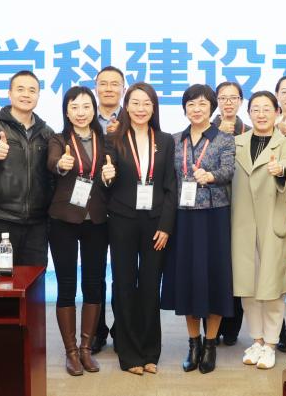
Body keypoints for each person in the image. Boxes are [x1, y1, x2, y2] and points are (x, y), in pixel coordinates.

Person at [161, 84, 235, 374]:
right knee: (187, 279)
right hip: (183, 217)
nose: (196, 109)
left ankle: (211, 343)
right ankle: (194, 343)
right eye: (191, 104)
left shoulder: (224, 139)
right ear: (184, 109)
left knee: (214, 278)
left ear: (212, 108)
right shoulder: (174, 140)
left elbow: (228, 171)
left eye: (203, 104)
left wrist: (211, 176)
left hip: (214, 216)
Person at [105, 82, 177, 375]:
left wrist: (166, 226)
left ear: (154, 107)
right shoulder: (113, 139)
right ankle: (128, 352)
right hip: (121, 220)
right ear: (126, 106)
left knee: (150, 286)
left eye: (146, 103)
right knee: (124, 285)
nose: (140, 109)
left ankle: (150, 352)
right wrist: (106, 176)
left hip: (155, 223)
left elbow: (171, 187)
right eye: (135, 103)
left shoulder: (165, 140)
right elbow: (106, 180)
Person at [231, 91, 286, 370]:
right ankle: (256, 340)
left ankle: (270, 344)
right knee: (247, 285)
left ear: (277, 112)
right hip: (242, 222)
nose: (261, 114)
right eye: (255, 109)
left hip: (272, 220)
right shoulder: (236, 142)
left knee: (271, 286)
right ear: (248, 113)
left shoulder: (285, 142)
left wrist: (280, 168)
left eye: (266, 109)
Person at [48, 86, 110, 376]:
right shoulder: (58, 139)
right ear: (67, 111)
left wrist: (110, 177)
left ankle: (86, 348)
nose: (81, 112)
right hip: (64, 220)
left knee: (94, 283)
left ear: (94, 110)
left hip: (96, 220)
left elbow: (111, 175)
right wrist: (61, 164)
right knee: (66, 285)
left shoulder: (105, 140)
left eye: (86, 106)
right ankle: (71, 352)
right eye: (74, 107)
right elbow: (53, 162)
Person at [0, 70, 55, 266]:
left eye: (32, 90)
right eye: (20, 89)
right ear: (9, 94)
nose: (26, 95)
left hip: (36, 223)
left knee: (34, 280)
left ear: (38, 96)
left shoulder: (47, 132)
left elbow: (51, 173)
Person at [210, 80, 248, 346]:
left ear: (241, 102)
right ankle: (211, 328)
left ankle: (232, 327)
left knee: (237, 266)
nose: (228, 102)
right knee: (214, 265)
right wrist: (216, 136)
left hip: (242, 206)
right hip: (212, 206)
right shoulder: (205, 130)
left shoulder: (251, 131)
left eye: (233, 98)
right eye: (223, 98)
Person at [91, 65, 125, 354]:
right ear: (96, 88)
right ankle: (97, 330)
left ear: (123, 89)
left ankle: (122, 329)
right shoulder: (84, 117)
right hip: (93, 207)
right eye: (104, 83)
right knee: (95, 273)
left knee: (123, 274)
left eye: (115, 84)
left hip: (126, 207)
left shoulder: (135, 117)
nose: (109, 88)